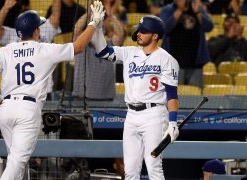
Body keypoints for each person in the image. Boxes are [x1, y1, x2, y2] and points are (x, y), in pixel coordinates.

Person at [0, 0, 105, 178]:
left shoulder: (5, 51)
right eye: (39, 26)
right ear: (35, 31)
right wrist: (94, 23)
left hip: (6, 108)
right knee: (18, 160)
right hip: (27, 110)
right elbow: (78, 47)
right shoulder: (45, 49)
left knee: (14, 160)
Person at [92, 15, 180, 179]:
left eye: (144, 31)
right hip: (131, 115)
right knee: (130, 169)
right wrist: (97, 28)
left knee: (154, 166)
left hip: (154, 114)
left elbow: (172, 95)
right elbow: (102, 52)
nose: (139, 34)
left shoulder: (167, 59)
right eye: (139, 30)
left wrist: (173, 121)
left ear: (155, 36)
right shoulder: (129, 53)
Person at [0, 0, 62, 98]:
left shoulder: (42, 30)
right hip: (18, 92)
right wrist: (6, 7)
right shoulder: (12, 34)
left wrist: (6, 7)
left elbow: (55, 17)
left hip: (41, 91)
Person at [72, 0, 126, 100]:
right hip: (83, 98)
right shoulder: (81, 45)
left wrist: (110, 15)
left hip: (105, 98)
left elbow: (120, 34)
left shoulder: (110, 46)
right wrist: (89, 12)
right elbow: (76, 30)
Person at [159, 0, 213, 88]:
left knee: (195, 97)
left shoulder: (198, 8)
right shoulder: (167, 10)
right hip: (173, 64)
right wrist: (180, 10)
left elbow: (209, 27)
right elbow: (164, 29)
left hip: (195, 63)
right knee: (173, 96)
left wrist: (198, 12)